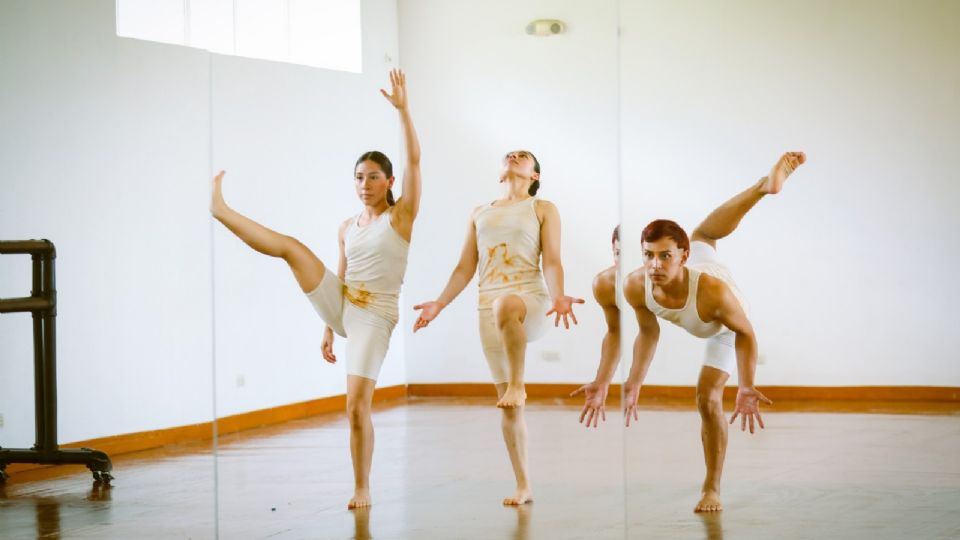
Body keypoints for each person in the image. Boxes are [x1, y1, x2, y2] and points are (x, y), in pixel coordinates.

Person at [210, 69, 421, 509]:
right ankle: (221, 210)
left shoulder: (400, 219)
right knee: (292, 248)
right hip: (343, 304)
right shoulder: (347, 226)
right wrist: (328, 325)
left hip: (375, 316)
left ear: (390, 183)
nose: (365, 185)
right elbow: (340, 278)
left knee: (355, 407)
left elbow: (415, 163)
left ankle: (362, 486)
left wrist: (404, 113)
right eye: (359, 178)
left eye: (374, 178)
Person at [577, 152, 806, 512]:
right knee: (704, 234)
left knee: (707, 398)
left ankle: (712, 488)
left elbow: (746, 334)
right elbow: (648, 333)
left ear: (680, 256)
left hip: (724, 323)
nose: (654, 265)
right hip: (700, 264)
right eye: (648, 255)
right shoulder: (637, 284)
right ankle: (763, 186)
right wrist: (633, 382)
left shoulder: (717, 296)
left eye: (665, 256)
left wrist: (745, 386)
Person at [412, 150, 583, 505]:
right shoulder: (480, 212)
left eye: (524, 157)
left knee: (506, 305)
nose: (515, 156)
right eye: (511, 154)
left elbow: (551, 259)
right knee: (508, 408)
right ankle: (523, 486)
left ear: (534, 176)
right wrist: (439, 304)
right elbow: (464, 267)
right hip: (487, 307)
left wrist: (559, 295)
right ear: (500, 172)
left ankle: (519, 384)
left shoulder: (543, 209)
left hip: (529, 301)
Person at [570, 226, 621, 428]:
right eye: (619, 254)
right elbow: (617, 332)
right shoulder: (605, 283)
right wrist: (601, 383)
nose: (625, 263)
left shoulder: (664, 277)